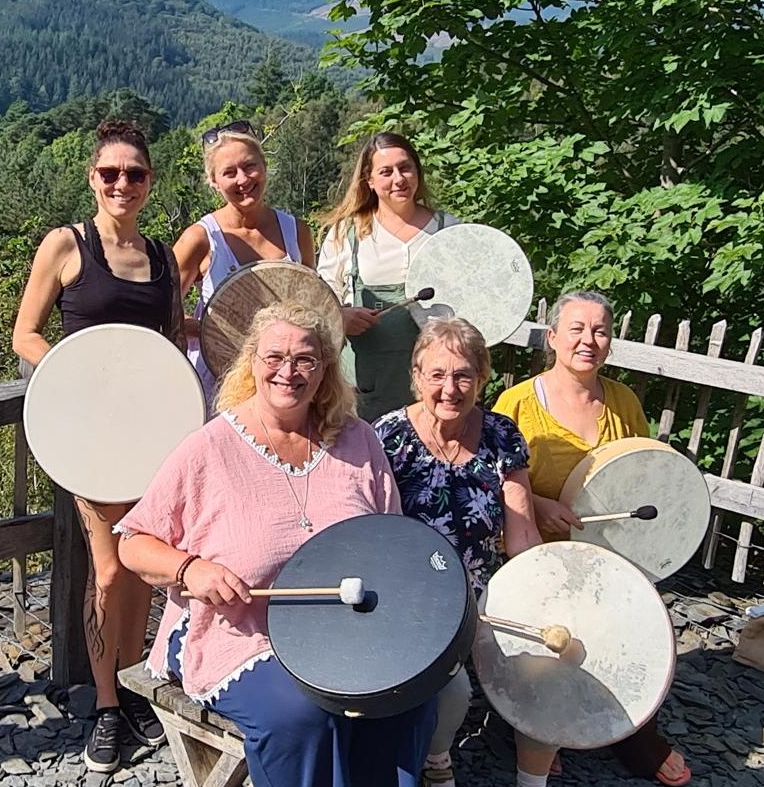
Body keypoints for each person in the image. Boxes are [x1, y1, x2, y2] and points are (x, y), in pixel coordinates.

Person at [116, 303, 437, 787]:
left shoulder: (358, 441)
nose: (288, 372)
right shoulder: (211, 448)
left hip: (346, 633)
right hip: (239, 635)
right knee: (302, 715)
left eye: (305, 359)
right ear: (252, 361)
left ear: (326, 367)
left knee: (406, 699)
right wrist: (189, 569)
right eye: (274, 357)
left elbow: (389, 542)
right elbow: (133, 542)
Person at [11, 121, 177, 771]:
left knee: (143, 565)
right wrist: (75, 383)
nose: (121, 184)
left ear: (149, 181)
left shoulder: (161, 258)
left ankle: (133, 685)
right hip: (89, 437)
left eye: (134, 173)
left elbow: (172, 339)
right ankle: (107, 704)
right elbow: (25, 334)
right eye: (109, 173)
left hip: (154, 434)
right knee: (109, 568)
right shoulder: (66, 245)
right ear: (92, 177)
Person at [493, 291, 692, 787]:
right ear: (553, 337)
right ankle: (537, 726)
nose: (589, 340)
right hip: (538, 553)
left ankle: (625, 723)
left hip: (609, 558)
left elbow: (645, 476)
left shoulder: (622, 401)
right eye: (577, 329)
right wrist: (540, 506)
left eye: (600, 330)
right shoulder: (516, 402)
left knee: (626, 634)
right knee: (552, 641)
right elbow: (489, 479)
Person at [372, 317, 550, 787]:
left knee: (551, 660)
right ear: (416, 376)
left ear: (482, 378)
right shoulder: (386, 437)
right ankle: (437, 759)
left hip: (480, 590)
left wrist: (540, 597)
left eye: (463, 375)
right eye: (437, 375)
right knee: (453, 691)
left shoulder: (501, 436)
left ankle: (534, 776)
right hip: (409, 595)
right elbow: (370, 534)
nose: (450, 388)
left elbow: (521, 532)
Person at [317, 131, 458, 421]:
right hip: (364, 388)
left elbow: (475, 297)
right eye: (386, 172)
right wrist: (340, 315)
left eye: (405, 167)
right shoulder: (347, 233)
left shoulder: (449, 230)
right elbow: (319, 299)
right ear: (369, 180)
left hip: (438, 387)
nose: (399, 179)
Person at [173, 120, 316, 404]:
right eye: (229, 172)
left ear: (264, 167)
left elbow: (311, 302)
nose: (243, 179)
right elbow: (161, 307)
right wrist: (201, 328)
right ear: (213, 181)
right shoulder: (201, 238)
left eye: (250, 166)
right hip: (220, 379)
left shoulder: (297, 232)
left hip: (286, 380)